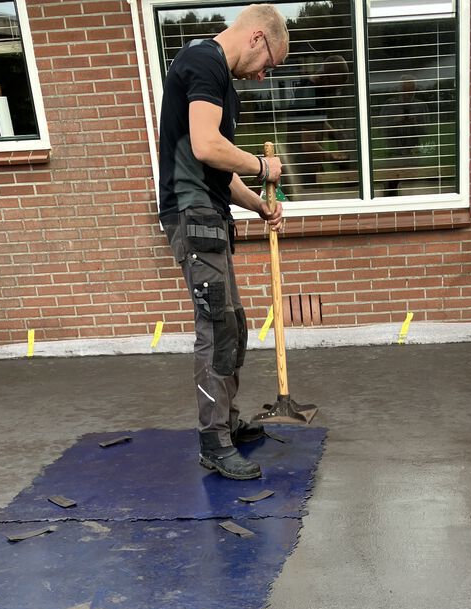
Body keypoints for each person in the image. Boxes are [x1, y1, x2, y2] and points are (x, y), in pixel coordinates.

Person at [158, 5, 289, 480]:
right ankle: (213, 442)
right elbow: (206, 145)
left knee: (232, 323)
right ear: (257, 38)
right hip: (191, 214)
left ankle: (226, 424)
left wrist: (259, 205)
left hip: (210, 214)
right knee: (215, 327)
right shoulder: (203, 61)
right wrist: (263, 165)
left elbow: (220, 170)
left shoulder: (221, 84)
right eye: (269, 64)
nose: (262, 76)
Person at [282, 55, 349, 198]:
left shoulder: (314, 89)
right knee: (313, 202)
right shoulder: (310, 95)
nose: (335, 92)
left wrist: (335, 134)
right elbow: (307, 144)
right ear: (326, 79)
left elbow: (316, 122)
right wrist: (333, 156)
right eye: (334, 87)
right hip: (302, 165)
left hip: (308, 163)